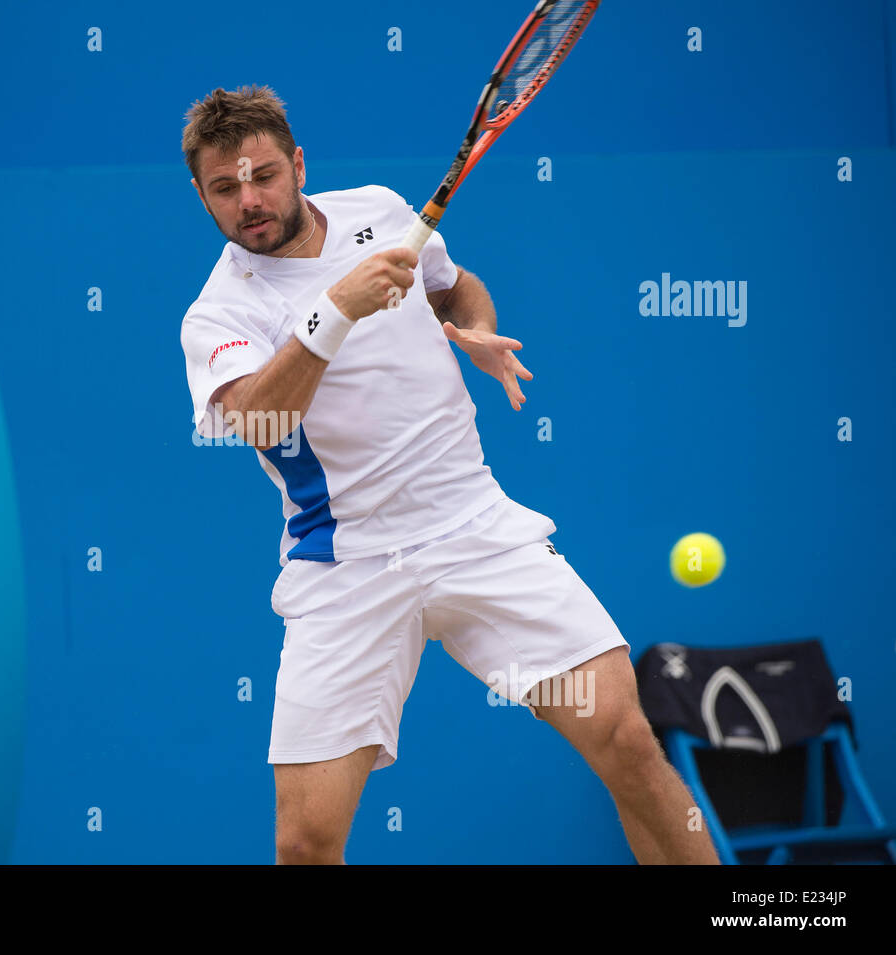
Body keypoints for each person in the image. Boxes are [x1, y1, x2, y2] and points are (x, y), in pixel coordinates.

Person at [178, 85, 718, 865]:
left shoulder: (381, 210)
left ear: (298, 166)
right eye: (225, 188)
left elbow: (452, 284)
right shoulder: (217, 314)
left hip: (474, 526)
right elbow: (263, 421)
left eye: (263, 175)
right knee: (305, 842)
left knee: (627, 739)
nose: (249, 200)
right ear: (202, 195)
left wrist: (477, 330)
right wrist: (335, 309)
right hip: (347, 567)